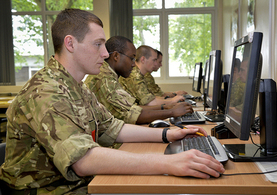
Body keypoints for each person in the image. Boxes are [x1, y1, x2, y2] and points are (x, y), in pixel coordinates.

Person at [0, 9, 224, 194]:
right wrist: (170, 163)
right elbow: (83, 160)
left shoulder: (75, 85)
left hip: (75, 183)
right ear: (70, 44)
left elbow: (112, 127)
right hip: (48, 190)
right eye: (98, 44)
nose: (106, 54)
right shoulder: (47, 90)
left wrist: (166, 134)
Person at [85, 36, 193, 124]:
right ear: (116, 56)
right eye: (131, 58)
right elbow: (134, 115)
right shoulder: (104, 78)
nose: (133, 64)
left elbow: (131, 108)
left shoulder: (108, 74)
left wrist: (165, 107)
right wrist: (172, 111)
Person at [119, 45, 185, 106]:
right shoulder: (134, 75)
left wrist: (173, 99)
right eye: (154, 60)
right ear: (143, 59)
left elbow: (151, 98)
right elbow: (149, 103)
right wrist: (172, 100)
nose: (156, 64)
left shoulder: (139, 74)